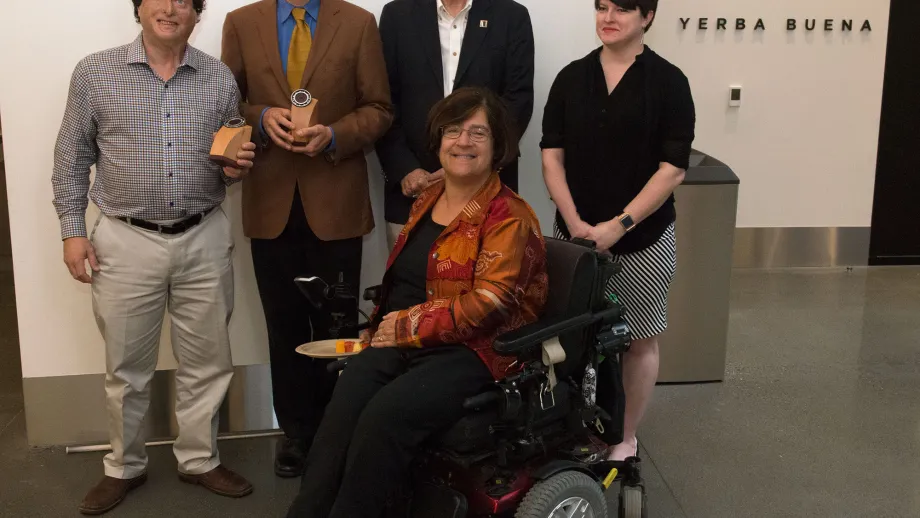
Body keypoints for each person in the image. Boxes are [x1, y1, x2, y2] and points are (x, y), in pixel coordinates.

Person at [285, 86, 547, 518]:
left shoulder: (509, 216)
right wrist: (383, 328)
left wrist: (406, 327)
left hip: (475, 349)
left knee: (384, 417)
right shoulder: (427, 199)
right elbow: (406, 282)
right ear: (438, 140)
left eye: (478, 133)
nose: (463, 141)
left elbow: (491, 302)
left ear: (498, 146)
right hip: (406, 337)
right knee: (343, 405)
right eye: (453, 130)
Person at [52, 0, 258, 514]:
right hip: (125, 238)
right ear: (139, 9)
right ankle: (123, 466)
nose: (171, 8)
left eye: (184, 1)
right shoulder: (95, 72)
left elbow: (229, 154)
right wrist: (72, 232)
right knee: (126, 366)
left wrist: (236, 170)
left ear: (197, 12)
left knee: (208, 360)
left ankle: (200, 459)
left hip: (204, 234)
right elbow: (71, 157)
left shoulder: (217, 77)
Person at [220, 0, 393, 478]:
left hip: (335, 203)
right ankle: (295, 434)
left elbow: (379, 108)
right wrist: (260, 117)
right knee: (284, 328)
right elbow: (223, 101)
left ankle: (336, 435)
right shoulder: (241, 22)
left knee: (338, 329)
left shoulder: (358, 22)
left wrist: (334, 134)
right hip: (269, 204)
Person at [540, 0, 695, 461]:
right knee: (564, 339)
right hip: (574, 236)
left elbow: (672, 170)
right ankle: (567, 427)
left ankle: (624, 437)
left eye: (623, 8)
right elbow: (552, 155)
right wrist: (575, 225)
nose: (609, 17)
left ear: (647, 16)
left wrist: (619, 225)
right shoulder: (571, 77)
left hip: (643, 238)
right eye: (602, 7)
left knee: (640, 339)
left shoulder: (669, 82)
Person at [376, 0, 535, 250]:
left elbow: (518, 102)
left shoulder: (512, 16)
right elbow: (383, 102)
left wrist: (470, 166)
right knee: (409, 284)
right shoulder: (397, 14)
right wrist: (405, 169)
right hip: (413, 190)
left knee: (491, 285)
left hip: (487, 192)